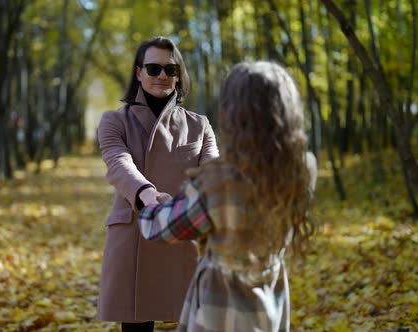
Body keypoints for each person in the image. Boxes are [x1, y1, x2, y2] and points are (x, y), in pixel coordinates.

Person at [138, 60, 317, 332]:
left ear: (235, 115)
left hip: (219, 310)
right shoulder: (303, 169)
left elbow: (160, 227)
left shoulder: (219, 181)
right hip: (269, 303)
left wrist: (151, 204)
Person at [96, 36, 219, 332]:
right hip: (135, 232)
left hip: (184, 234)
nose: (162, 75)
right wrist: (147, 194)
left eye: (170, 69)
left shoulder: (199, 125)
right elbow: (118, 163)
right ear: (139, 72)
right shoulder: (114, 121)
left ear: (178, 75)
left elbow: (214, 173)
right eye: (153, 68)